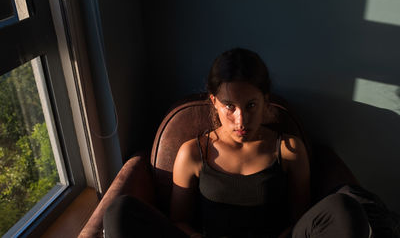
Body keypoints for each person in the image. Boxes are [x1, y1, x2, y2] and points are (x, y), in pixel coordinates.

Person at [103, 48, 399, 238]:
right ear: (214, 103)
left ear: (265, 101)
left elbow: (299, 221)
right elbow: (179, 223)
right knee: (119, 212)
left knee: (346, 210)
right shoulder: (193, 152)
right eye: (230, 106)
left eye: (251, 105)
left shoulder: (289, 149)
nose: (240, 120)